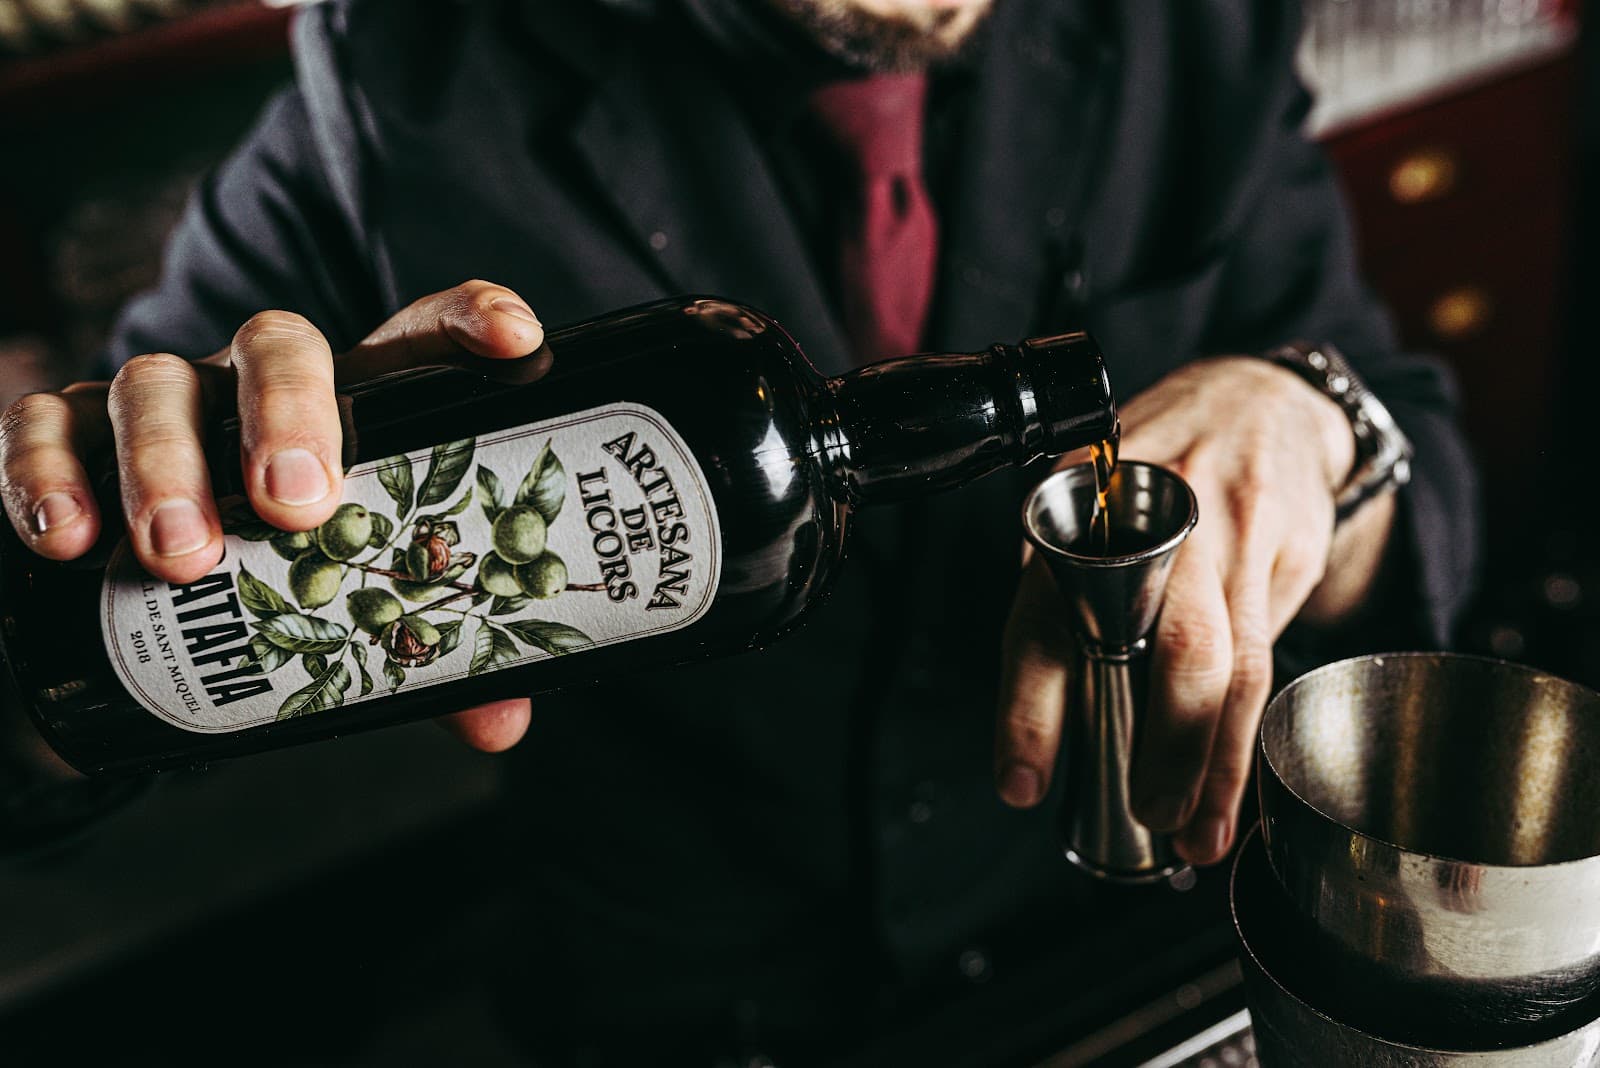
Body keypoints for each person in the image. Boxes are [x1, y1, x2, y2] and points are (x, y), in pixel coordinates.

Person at [0, 0, 1478, 1061]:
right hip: (679, 1007)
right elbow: (53, 702)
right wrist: (61, 568)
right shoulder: (399, 79)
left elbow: (1426, 475)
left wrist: (1314, 422)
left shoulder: (1192, 32)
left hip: (1104, 946)